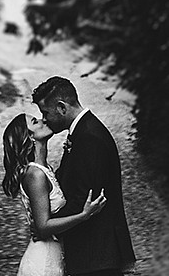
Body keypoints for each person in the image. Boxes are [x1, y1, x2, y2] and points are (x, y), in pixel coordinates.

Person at [33, 76, 136, 276]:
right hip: (93, 254)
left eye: (45, 112)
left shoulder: (89, 137)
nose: (44, 119)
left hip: (96, 254)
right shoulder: (83, 131)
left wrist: (46, 226)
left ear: (62, 108)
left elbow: (82, 199)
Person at [2, 112, 108, 276]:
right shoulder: (35, 175)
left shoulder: (45, 169)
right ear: (30, 137)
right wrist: (83, 215)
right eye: (35, 121)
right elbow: (43, 228)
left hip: (55, 256)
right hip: (43, 263)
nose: (43, 120)